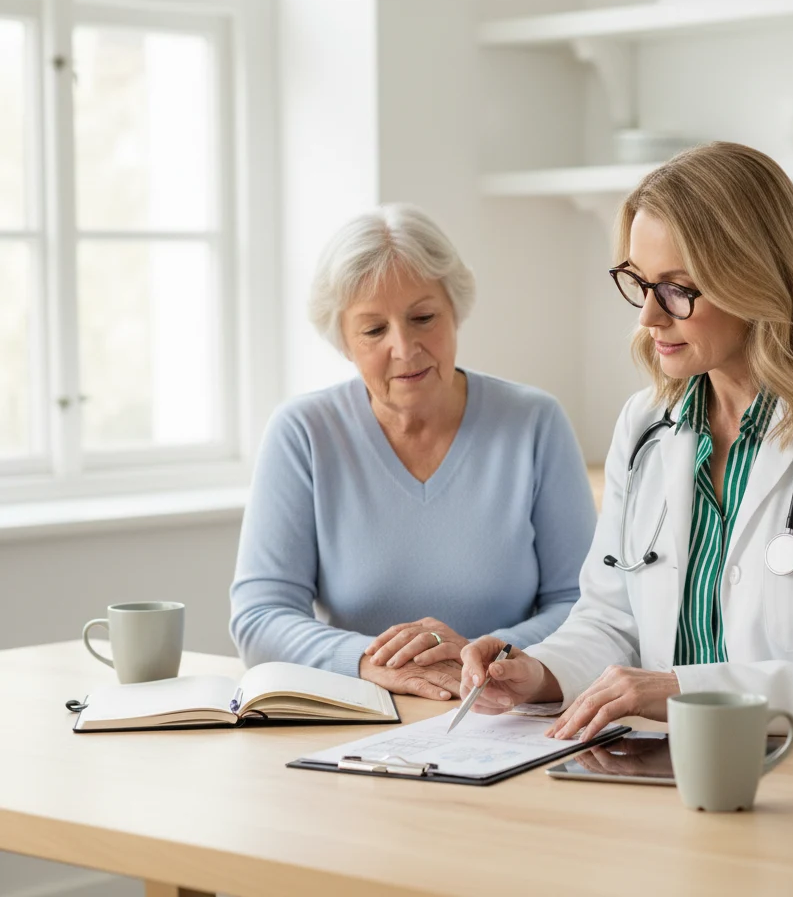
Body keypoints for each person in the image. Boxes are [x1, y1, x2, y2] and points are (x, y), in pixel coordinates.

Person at [461, 142, 793, 742]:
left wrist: (683, 691)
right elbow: (612, 620)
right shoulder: (646, 426)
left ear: (755, 281)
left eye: (677, 288)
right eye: (639, 282)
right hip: (684, 765)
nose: (648, 316)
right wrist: (540, 672)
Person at [230, 204, 595, 701]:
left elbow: (582, 603)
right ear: (343, 341)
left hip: (502, 713)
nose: (405, 347)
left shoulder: (534, 422)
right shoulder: (303, 433)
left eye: (423, 318)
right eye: (374, 330)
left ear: (455, 312)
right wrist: (371, 663)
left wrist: (482, 653)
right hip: (356, 715)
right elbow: (259, 617)